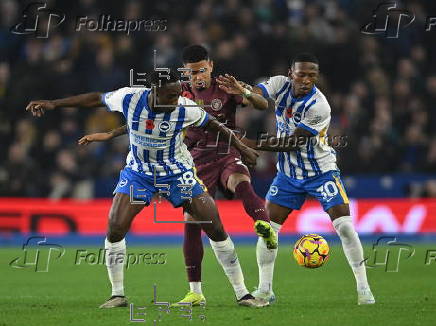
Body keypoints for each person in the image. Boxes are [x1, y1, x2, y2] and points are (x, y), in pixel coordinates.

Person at [25, 71, 269, 308]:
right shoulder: (129, 97)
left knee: (214, 226)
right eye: (170, 96)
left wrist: (242, 147)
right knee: (115, 226)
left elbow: (214, 125)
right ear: (154, 92)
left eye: (176, 95)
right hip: (139, 174)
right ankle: (117, 294)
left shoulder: (185, 107)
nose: (175, 101)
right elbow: (96, 98)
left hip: (177, 174)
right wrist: (53, 104)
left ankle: (242, 293)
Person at [78, 45, 278, 307]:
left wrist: (245, 94)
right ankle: (187, 292)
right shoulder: (177, 92)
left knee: (228, 202)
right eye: (193, 72)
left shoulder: (223, 87)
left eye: (202, 70)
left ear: (211, 65)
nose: (198, 76)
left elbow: (261, 106)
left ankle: (252, 262)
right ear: (186, 72)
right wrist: (110, 134)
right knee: (185, 226)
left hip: (197, 164)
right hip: (172, 165)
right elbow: (142, 121)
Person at [218, 53, 375, 305]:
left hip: (321, 172)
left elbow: (292, 142)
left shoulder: (319, 105)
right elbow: (259, 97)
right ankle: (265, 289)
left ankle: (364, 289)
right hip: (288, 175)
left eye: (312, 75)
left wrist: (246, 143)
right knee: (268, 231)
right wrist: (245, 92)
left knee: (344, 226)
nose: (306, 80)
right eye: (301, 74)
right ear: (291, 73)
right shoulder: (280, 84)